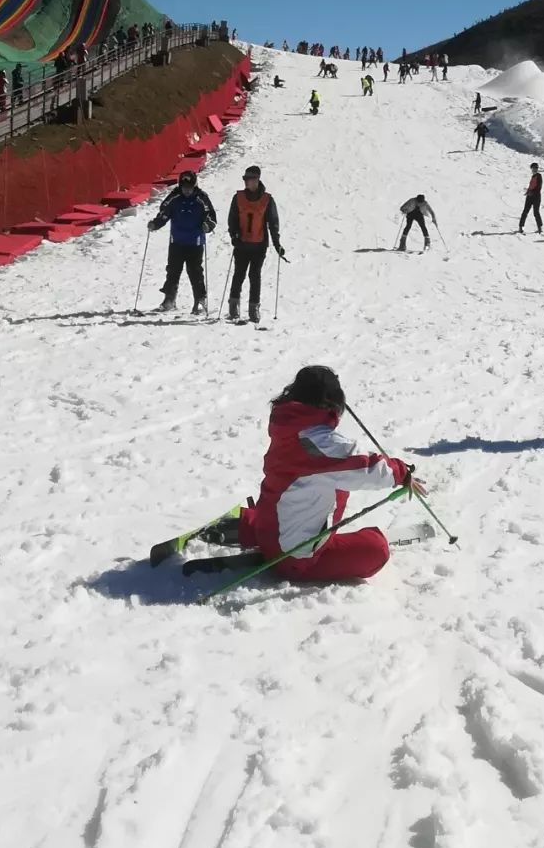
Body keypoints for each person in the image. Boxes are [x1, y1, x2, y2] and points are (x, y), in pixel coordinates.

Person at [206, 366, 422, 583]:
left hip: (269, 528)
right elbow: (366, 469)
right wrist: (401, 473)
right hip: (296, 558)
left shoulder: (288, 427)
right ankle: (348, 545)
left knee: (314, 489)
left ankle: (247, 526)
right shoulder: (320, 443)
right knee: (377, 550)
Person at [148, 169, 217, 313]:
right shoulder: (174, 197)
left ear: (195, 185)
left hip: (195, 242)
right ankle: (169, 299)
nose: (187, 191)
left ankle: (200, 300)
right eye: (184, 188)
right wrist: (156, 224)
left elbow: (211, 216)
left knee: (195, 272)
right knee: (173, 271)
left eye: (190, 188)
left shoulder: (201, 198)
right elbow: (164, 213)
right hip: (177, 241)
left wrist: (208, 225)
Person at [227, 165, 285, 323]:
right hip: (242, 243)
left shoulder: (267, 200)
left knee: (254, 275)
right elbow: (232, 219)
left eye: (250, 179)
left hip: (259, 245)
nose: (247, 182)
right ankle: (233, 306)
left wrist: (277, 243)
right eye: (245, 179)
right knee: (239, 274)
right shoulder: (237, 198)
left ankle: (254, 308)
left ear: (257, 180)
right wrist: (234, 235)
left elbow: (273, 223)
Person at [519, 163, 543, 233]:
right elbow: (532, 185)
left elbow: (539, 186)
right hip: (530, 196)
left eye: (536, 168)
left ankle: (540, 227)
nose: (534, 169)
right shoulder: (533, 176)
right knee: (525, 211)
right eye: (533, 168)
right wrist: (528, 191)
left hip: (536, 196)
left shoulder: (539, 176)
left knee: (536, 212)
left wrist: (532, 192)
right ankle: (521, 226)